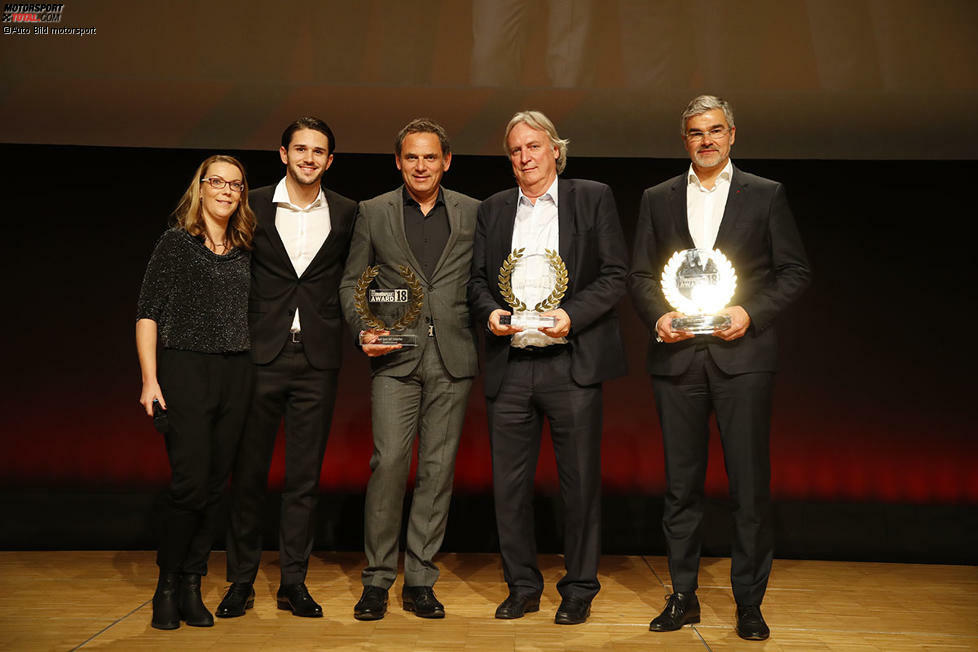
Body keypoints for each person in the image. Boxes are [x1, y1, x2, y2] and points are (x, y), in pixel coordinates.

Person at [628, 95, 811, 641]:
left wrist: (749, 312)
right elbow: (639, 276)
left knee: (749, 488)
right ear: (683, 140)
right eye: (694, 133)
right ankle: (683, 595)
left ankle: (748, 603)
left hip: (743, 359)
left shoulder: (766, 194)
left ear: (732, 134)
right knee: (681, 489)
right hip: (678, 358)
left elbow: (795, 270)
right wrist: (659, 318)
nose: (705, 140)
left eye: (714, 131)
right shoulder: (656, 198)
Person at [468, 110, 628, 625]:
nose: (524, 157)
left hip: (571, 364)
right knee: (509, 487)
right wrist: (490, 312)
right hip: (511, 365)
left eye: (533, 147)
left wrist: (572, 315)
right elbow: (475, 282)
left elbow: (615, 274)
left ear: (556, 150)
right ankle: (522, 586)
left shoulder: (592, 197)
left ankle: (579, 587)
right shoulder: (492, 209)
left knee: (578, 485)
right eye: (515, 150)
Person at [339, 118, 480, 621]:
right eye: (411, 157)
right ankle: (377, 579)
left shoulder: (474, 212)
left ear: (446, 161)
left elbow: (479, 282)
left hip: (454, 358)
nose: (421, 166)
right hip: (395, 357)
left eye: (430, 157)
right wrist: (363, 329)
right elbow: (352, 280)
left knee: (437, 473)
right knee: (390, 464)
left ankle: (420, 579)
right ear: (398, 162)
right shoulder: (373, 211)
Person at [218, 117, 357, 619]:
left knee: (304, 479)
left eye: (319, 151)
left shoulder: (347, 212)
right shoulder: (250, 203)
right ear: (282, 153)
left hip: (317, 359)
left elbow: (352, 279)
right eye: (300, 149)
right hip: (259, 354)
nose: (309, 158)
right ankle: (240, 582)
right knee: (249, 475)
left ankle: (293, 582)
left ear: (330, 160)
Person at [135, 155, 256, 630]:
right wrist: (150, 379)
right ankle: (166, 585)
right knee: (188, 484)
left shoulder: (247, 247)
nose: (227, 190)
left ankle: (192, 584)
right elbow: (148, 312)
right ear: (201, 188)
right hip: (184, 368)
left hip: (237, 373)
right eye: (217, 182)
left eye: (236, 185)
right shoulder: (175, 244)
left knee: (213, 486)